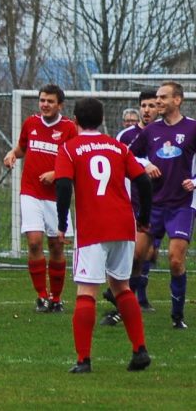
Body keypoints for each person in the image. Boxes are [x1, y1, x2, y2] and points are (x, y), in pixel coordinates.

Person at [54, 97, 152, 373]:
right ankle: (140, 350)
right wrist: (143, 219)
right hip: (123, 225)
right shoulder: (117, 146)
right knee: (122, 287)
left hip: (93, 227)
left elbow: (63, 187)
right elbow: (143, 181)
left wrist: (62, 224)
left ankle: (83, 360)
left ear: (74, 121)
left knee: (86, 291)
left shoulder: (70, 148)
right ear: (101, 120)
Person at [3, 84, 77, 313]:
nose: (45, 105)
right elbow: (22, 148)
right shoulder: (31, 123)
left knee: (56, 246)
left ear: (60, 105)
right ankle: (42, 296)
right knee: (34, 241)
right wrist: (12, 153)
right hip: (31, 192)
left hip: (57, 197)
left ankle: (56, 298)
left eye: (50, 101)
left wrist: (57, 174)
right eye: (42, 100)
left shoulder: (69, 129)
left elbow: (76, 161)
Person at [128, 81, 194, 329]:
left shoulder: (192, 128)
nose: (158, 102)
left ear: (177, 100)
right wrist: (145, 164)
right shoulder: (151, 131)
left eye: (163, 97)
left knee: (175, 260)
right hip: (153, 205)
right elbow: (129, 154)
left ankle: (177, 316)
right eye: (157, 97)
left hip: (181, 206)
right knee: (136, 256)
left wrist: (195, 181)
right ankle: (124, 307)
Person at [102, 90, 160, 325]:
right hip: (133, 201)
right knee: (136, 254)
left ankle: (132, 299)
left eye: (151, 105)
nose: (147, 109)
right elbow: (117, 160)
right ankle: (127, 301)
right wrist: (144, 164)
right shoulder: (126, 136)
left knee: (148, 253)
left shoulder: (164, 133)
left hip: (164, 200)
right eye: (143, 105)